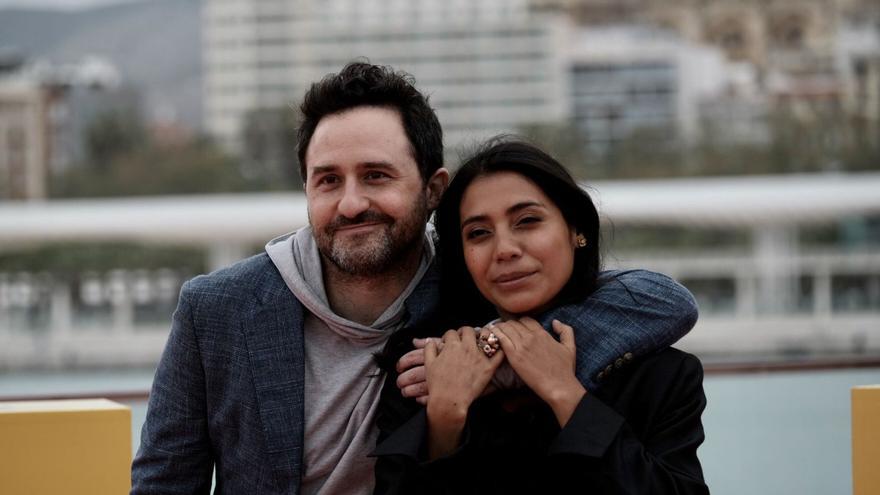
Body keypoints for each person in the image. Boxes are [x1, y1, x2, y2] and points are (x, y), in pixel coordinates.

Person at [130, 62, 698, 495]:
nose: (351, 203)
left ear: (433, 190)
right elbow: (163, 483)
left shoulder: (463, 298)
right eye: (327, 181)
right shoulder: (218, 309)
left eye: (376, 176)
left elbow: (660, 301)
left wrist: (504, 356)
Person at [373, 139, 708, 494]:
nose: (505, 249)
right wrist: (444, 421)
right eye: (479, 233)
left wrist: (565, 394)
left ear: (575, 230)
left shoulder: (660, 374)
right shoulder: (425, 366)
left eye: (528, 221)